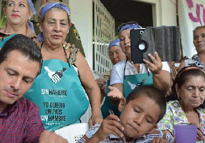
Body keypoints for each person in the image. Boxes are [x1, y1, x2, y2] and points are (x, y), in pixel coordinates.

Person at [24, 2, 102, 131]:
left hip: (70, 132)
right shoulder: (29, 52)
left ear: (68, 28)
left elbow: (92, 87)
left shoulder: (74, 55)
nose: (57, 28)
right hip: (32, 130)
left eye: (63, 23)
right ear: (41, 26)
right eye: (51, 22)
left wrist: (97, 113)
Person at [66, 86, 174, 143]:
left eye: (149, 120)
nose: (138, 121)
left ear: (153, 127)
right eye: (136, 110)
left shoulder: (156, 138)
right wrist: (97, 137)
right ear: (122, 104)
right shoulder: (99, 131)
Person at [109, 21, 171, 104]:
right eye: (122, 39)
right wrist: (116, 96)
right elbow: (117, 94)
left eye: (130, 37)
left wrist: (157, 73)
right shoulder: (118, 67)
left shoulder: (157, 61)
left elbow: (165, 89)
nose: (126, 42)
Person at [157, 66, 205, 143]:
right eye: (190, 88)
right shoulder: (167, 110)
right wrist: (185, 134)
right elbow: (162, 140)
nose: (196, 94)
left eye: (201, 89)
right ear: (178, 89)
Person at [182, 26, 205, 126]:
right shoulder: (186, 64)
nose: (199, 39)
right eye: (196, 37)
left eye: (204, 36)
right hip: (198, 122)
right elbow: (180, 94)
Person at [95, 39, 126, 118]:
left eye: (117, 52)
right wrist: (95, 87)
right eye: (111, 53)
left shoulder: (133, 73)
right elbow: (97, 103)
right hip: (107, 118)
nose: (114, 56)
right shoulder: (105, 76)